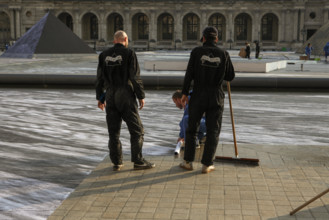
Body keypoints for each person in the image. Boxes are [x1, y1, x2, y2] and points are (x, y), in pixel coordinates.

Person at [95, 30, 155, 171]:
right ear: (125, 39)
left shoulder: (103, 55)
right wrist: (141, 95)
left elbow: (99, 79)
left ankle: (117, 162)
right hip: (125, 95)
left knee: (113, 132)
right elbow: (134, 77)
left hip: (110, 95)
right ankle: (138, 161)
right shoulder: (129, 54)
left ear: (114, 40)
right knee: (137, 130)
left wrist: (100, 98)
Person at [179, 26, 235, 173]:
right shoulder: (224, 54)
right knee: (213, 131)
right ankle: (207, 164)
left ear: (203, 38)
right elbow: (230, 76)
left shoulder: (196, 52)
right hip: (216, 95)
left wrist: (185, 92)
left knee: (192, 129)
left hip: (198, 94)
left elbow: (189, 73)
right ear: (216, 39)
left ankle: (188, 162)